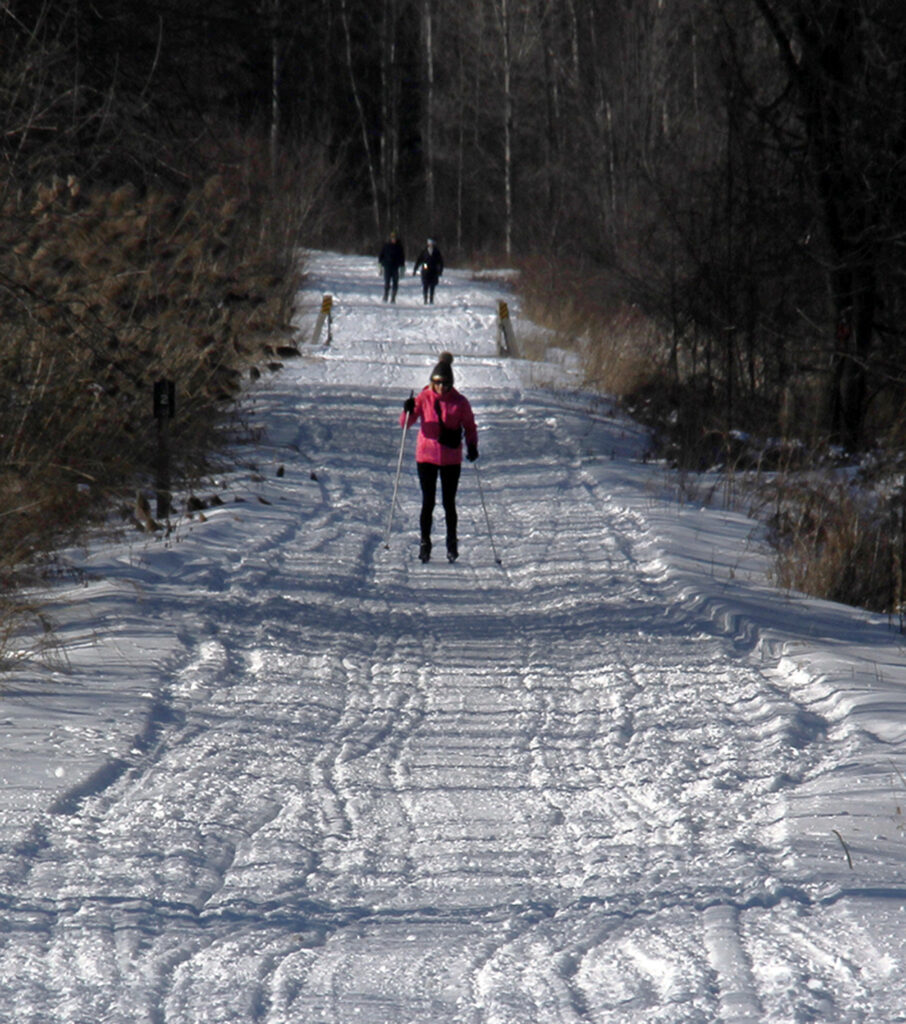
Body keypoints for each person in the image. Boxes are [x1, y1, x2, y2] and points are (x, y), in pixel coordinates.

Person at [400, 352, 478, 563]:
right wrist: (406, 410)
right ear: (432, 382)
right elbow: (406, 424)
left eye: (445, 383)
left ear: (451, 383)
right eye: (437, 383)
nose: (441, 387)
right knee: (428, 502)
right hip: (426, 458)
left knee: (449, 503)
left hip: (451, 460)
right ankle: (425, 543)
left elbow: (470, 426)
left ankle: (451, 543)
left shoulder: (460, 402)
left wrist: (472, 445)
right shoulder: (423, 398)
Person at [412, 238, 444, 304]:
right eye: (429, 243)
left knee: (432, 286)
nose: (430, 245)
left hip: (434, 271)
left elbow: (440, 262)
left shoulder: (436, 252)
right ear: (427, 244)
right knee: (425, 285)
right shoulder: (424, 251)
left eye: (432, 243)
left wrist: (440, 270)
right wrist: (415, 269)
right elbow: (419, 260)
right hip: (425, 271)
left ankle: (431, 299)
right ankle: (425, 299)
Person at [378, 231, 405, 302]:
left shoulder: (399, 247)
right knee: (387, 282)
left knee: (395, 282)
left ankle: (393, 297)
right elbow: (381, 256)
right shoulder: (386, 246)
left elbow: (402, 257)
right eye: (392, 238)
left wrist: (402, 268)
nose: (393, 239)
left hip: (395, 267)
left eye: (395, 238)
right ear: (390, 238)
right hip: (387, 267)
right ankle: (386, 295)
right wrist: (380, 266)